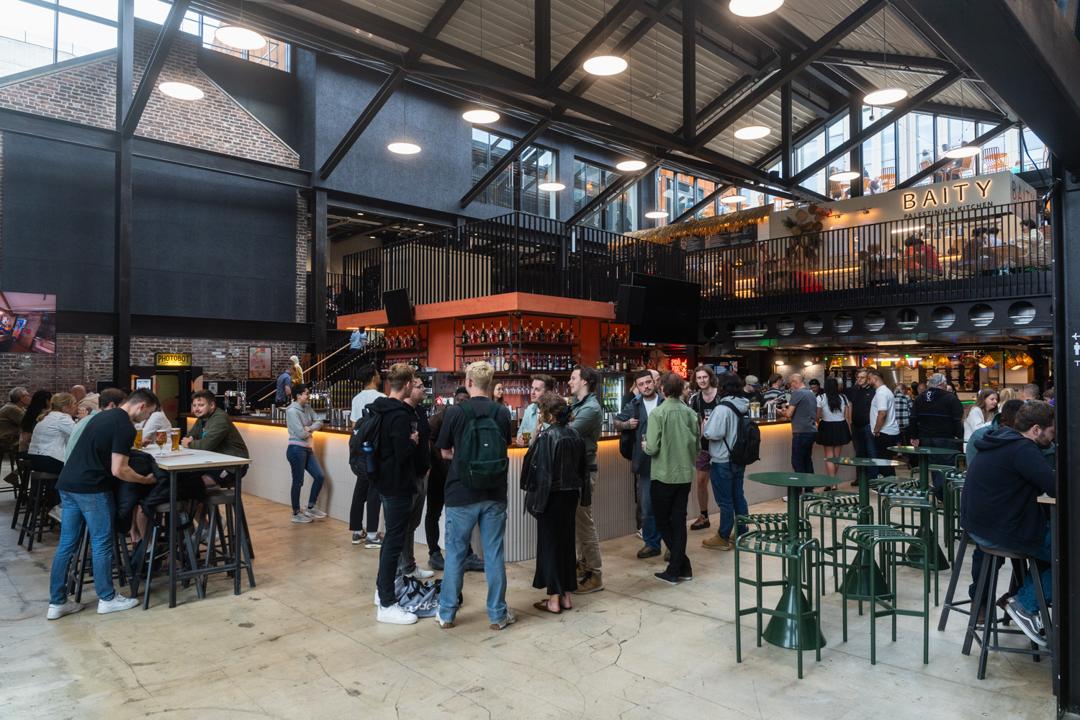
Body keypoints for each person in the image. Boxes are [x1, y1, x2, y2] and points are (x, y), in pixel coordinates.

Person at [46, 389, 159, 620]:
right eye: (148, 413)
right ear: (141, 406)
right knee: (102, 543)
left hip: (68, 483)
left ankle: (57, 602)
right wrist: (145, 479)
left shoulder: (100, 416)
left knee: (67, 544)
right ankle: (107, 598)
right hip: (92, 488)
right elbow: (119, 470)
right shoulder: (125, 426)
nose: (146, 418)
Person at [961, 401, 1055, 646]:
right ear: (1036, 429)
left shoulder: (1000, 440)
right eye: (1052, 432)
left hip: (979, 526)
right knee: (1070, 552)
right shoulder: (1023, 449)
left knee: (1054, 545)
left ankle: (1020, 597)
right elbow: (1055, 486)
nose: (1053, 438)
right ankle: (1025, 605)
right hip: (999, 531)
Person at [435, 361, 514, 630]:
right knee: (493, 553)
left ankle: (446, 614)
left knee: (455, 553)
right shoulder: (502, 413)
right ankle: (498, 615)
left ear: (469, 382)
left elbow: (444, 451)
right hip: (494, 492)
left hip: (460, 492)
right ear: (490, 384)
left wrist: (464, 457)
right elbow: (505, 446)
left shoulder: (456, 412)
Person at [522, 392, 585, 614]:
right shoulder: (575, 435)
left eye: (541, 412)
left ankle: (554, 600)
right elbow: (583, 471)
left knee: (549, 547)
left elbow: (534, 467)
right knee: (566, 545)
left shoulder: (548, 437)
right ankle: (567, 595)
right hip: (570, 496)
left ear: (548, 414)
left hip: (550, 496)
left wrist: (536, 434)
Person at [369, 364, 422, 625]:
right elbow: (402, 454)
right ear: (409, 384)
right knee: (393, 543)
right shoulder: (399, 415)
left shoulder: (380, 407)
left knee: (390, 540)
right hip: (398, 483)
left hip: (383, 481)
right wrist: (413, 442)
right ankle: (387, 603)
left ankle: (382, 592)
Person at [644, 373, 699, 585]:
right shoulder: (690, 413)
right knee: (678, 520)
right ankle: (681, 566)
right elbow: (697, 446)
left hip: (663, 474)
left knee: (662, 521)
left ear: (663, 390)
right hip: (685, 473)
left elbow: (652, 447)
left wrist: (644, 447)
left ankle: (677, 567)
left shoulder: (658, 414)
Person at [615, 370, 663, 560]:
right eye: (641, 384)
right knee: (647, 506)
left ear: (655, 383)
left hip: (665, 461)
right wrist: (627, 425)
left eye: (648, 382)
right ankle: (652, 544)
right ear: (637, 386)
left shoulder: (665, 403)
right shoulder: (633, 405)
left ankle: (671, 545)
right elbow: (617, 421)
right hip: (643, 463)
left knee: (667, 506)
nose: (646, 386)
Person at [702, 373, 750, 551]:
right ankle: (742, 531)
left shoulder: (722, 408)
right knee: (738, 496)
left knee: (725, 501)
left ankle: (722, 536)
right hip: (739, 458)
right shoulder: (744, 405)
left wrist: (706, 426)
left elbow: (713, 433)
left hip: (723, 459)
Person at [569, 366, 604, 594]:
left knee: (584, 523)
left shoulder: (590, 409)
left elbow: (569, 432)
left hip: (584, 471)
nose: (569, 381)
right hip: (576, 469)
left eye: (573, 378)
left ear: (585, 382)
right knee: (578, 522)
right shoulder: (578, 405)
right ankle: (583, 565)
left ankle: (595, 574)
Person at [397, 374, 433, 581]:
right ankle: (404, 567)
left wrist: (427, 465)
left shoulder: (420, 411)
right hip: (408, 477)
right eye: (419, 386)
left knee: (412, 523)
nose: (423, 390)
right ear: (409, 388)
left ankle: (408, 566)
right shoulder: (401, 413)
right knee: (404, 524)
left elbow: (426, 439)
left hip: (422, 474)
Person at [349, 365, 385, 546]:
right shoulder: (382, 398)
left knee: (360, 489)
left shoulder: (356, 399)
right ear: (373, 377)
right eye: (378, 374)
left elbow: (354, 426)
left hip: (360, 451)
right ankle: (371, 535)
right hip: (375, 450)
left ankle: (356, 531)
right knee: (374, 491)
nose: (379, 376)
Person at [285, 384, 327, 524]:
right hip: (296, 450)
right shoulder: (291, 411)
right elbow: (301, 434)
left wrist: (309, 427)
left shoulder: (307, 407)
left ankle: (310, 507)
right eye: (306, 393)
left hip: (307, 449)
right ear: (298, 395)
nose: (308, 396)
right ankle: (296, 513)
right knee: (298, 481)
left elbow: (319, 421)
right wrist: (308, 430)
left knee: (319, 476)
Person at [688, 365, 719, 531]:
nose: (702, 380)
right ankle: (704, 515)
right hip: (703, 447)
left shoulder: (721, 396)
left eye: (704, 377)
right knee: (700, 482)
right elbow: (692, 422)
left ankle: (730, 518)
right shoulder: (695, 399)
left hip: (721, 447)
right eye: (698, 378)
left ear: (710, 378)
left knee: (720, 482)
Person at [909, 373, 963, 456]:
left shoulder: (919, 398)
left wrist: (914, 436)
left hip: (924, 439)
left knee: (927, 464)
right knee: (946, 466)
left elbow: (913, 418)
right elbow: (958, 420)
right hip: (945, 439)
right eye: (945, 384)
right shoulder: (951, 398)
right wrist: (959, 437)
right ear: (942, 384)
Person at [66, 388, 126, 461]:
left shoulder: (91, 418)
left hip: (71, 466)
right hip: (82, 468)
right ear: (112, 405)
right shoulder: (103, 422)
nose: (124, 411)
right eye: (123, 407)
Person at [28, 392, 76, 475]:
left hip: (35, 459)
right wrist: (84, 419)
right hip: (49, 460)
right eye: (74, 404)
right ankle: (60, 488)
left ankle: (50, 487)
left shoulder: (47, 416)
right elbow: (79, 434)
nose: (76, 406)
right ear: (65, 407)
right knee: (79, 467)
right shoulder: (62, 418)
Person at [966, 398, 1023, 466]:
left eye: (996, 399)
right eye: (992, 399)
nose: (995, 401)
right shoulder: (979, 435)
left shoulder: (1027, 434)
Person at [780, 374, 817, 474]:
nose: (790, 386)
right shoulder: (811, 393)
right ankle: (810, 487)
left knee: (797, 462)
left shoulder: (797, 393)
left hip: (801, 431)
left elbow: (788, 414)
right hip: (811, 430)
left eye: (790, 383)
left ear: (795, 382)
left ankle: (799, 489)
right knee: (807, 460)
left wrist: (779, 411)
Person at [816, 378, 852, 478]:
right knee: (837, 457)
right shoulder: (843, 397)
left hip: (826, 426)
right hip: (841, 426)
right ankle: (833, 481)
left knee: (829, 456)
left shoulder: (821, 398)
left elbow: (817, 416)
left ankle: (832, 482)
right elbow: (847, 416)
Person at [867, 370, 899, 476]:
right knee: (886, 462)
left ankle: (889, 486)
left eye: (869, 378)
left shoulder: (881, 393)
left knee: (884, 463)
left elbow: (882, 413)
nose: (868, 381)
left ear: (875, 378)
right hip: (888, 431)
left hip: (884, 432)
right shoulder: (885, 391)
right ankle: (889, 486)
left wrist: (876, 430)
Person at [845, 369, 875, 461]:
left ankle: (872, 475)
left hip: (868, 425)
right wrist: (849, 422)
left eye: (862, 377)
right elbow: (850, 406)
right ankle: (861, 475)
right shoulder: (853, 390)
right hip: (855, 426)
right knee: (858, 452)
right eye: (858, 377)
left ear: (867, 378)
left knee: (871, 451)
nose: (859, 379)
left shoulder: (873, 391)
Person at [516, 374, 554, 445]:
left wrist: (528, 438)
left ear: (548, 393)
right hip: (533, 454)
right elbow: (520, 433)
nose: (532, 392)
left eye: (537, 389)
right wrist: (523, 440)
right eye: (532, 388)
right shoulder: (529, 409)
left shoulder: (555, 411)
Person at [19, 389, 52, 454]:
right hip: (34, 451)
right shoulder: (44, 414)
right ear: (47, 401)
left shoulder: (30, 412)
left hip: (23, 449)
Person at [0, 386, 30, 456]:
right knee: (31, 441)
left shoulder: (19, 408)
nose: (30, 397)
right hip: (7, 439)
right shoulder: (12, 408)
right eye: (27, 395)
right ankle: (25, 464)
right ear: (21, 398)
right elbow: (28, 423)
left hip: (12, 437)